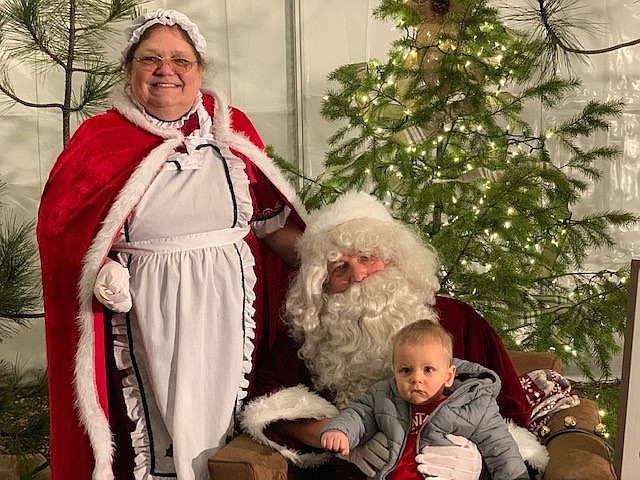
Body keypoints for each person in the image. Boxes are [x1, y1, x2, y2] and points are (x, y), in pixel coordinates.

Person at [37, 9, 305, 480]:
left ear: (200, 70)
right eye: (150, 59)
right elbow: (66, 235)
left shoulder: (231, 129)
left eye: (181, 60)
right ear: (129, 69)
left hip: (230, 313)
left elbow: (269, 224)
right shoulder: (100, 140)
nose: (166, 71)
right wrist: (102, 273)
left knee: (226, 430)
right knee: (158, 435)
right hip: (146, 316)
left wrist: (329, 262)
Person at [241, 191, 549, 479]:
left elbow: (512, 410)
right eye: (339, 268)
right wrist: (335, 435)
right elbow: (268, 401)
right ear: (321, 281)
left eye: (366, 258)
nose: (358, 276)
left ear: (394, 258)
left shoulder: (459, 319)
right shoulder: (309, 331)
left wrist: (479, 461)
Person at [320, 320, 529, 480]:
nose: (416, 379)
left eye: (428, 370)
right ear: (394, 372)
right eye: (406, 370)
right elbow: (359, 413)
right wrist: (340, 431)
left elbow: (501, 449)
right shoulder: (384, 396)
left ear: (448, 375)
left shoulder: (474, 405)